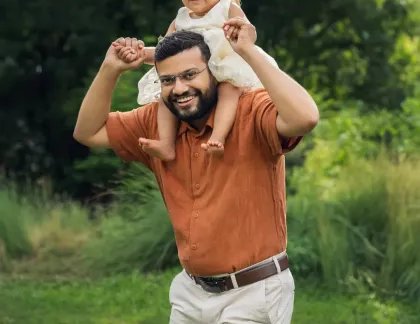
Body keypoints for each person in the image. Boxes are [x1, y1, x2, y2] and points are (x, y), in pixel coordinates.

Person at [73, 19, 319, 324]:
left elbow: (306, 117)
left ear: (214, 72)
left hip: (254, 294)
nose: (179, 89)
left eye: (190, 75)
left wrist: (248, 51)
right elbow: (89, 132)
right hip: (191, 294)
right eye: (168, 80)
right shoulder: (158, 122)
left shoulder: (250, 110)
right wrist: (110, 70)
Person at [114, 0, 279, 160]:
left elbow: (248, 34)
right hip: (189, 75)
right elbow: (166, 53)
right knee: (166, 97)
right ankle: (166, 144)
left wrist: (242, 33)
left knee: (229, 91)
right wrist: (142, 54)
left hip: (224, 68)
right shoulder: (180, 18)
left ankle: (218, 137)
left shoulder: (227, 6)